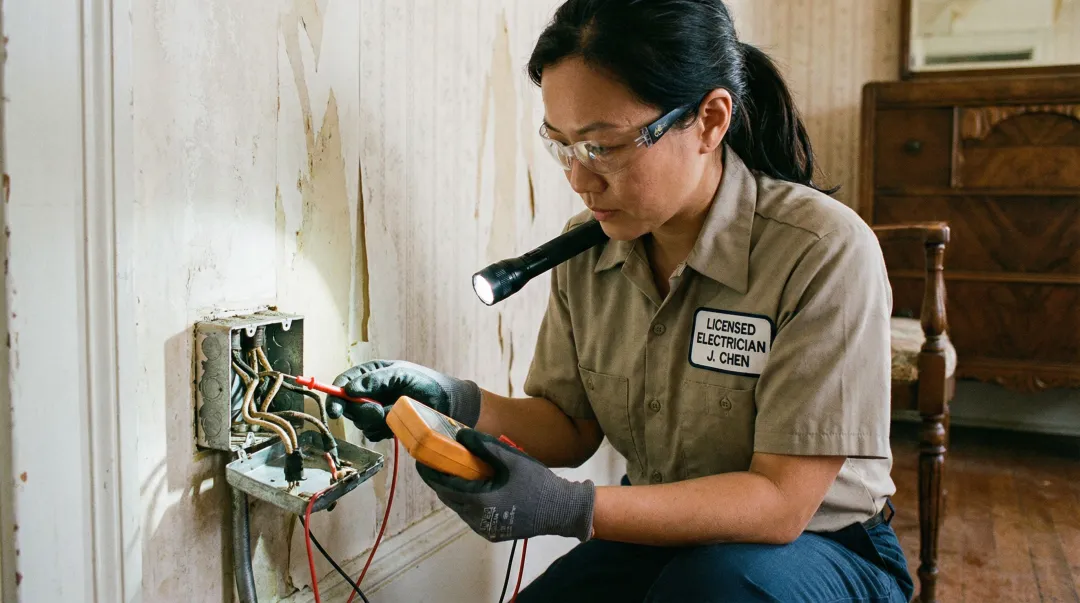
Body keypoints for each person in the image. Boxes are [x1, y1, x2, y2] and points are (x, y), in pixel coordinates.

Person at [327, 1, 914, 601]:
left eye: (603, 147)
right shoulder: (588, 251)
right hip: (666, 540)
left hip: (823, 547)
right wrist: (452, 401)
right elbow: (570, 425)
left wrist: (567, 507)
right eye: (562, 146)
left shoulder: (823, 251)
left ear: (710, 121)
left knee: (709, 592)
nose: (580, 180)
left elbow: (779, 504)